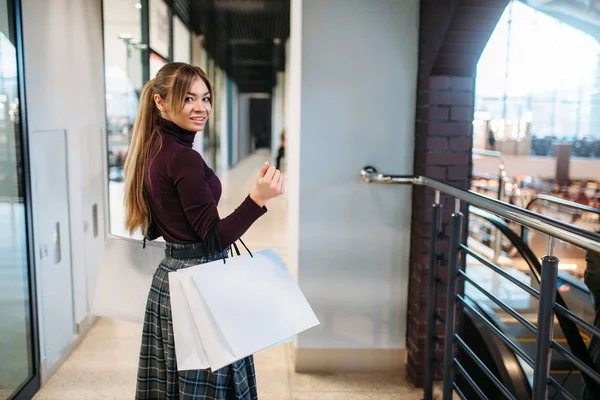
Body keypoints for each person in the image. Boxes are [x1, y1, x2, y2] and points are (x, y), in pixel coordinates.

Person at [123, 62, 284, 399]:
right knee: (208, 386)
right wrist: (258, 198)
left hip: (172, 277)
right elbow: (212, 238)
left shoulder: (154, 148)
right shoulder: (181, 157)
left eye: (205, 98)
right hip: (198, 283)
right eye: (188, 99)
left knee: (175, 385)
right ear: (161, 102)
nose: (201, 108)